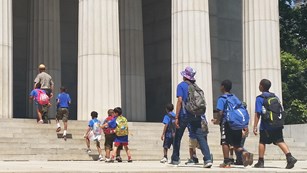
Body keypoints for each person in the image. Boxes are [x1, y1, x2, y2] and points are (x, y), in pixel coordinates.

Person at [170, 67, 212, 168]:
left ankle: (175, 159)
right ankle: (207, 159)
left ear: (184, 76)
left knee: (177, 137)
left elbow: (180, 101)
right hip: (196, 115)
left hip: (184, 115)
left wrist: (176, 117)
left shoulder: (181, 86)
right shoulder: (195, 86)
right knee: (200, 137)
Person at [253, 79, 297, 169]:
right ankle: (289, 157)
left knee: (262, 141)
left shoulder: (260, 98)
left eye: (259, 85)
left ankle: (260, 162)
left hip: (266, 125)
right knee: (280, 140)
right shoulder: (275, 97)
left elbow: (258, 113)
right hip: (277, 123)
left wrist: (255, 126)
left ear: (261, 86)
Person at [216, 79, 253, 168]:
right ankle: (245, 153)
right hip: (237, 124)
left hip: (227, 122)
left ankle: (226, 162)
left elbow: (220, 112)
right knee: (236, 144)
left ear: (223, 87)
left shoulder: (222, 98)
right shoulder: (235, 97)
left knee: (225, 142)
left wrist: (217, 121)